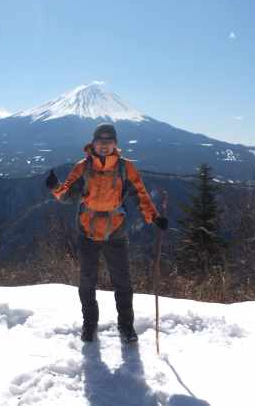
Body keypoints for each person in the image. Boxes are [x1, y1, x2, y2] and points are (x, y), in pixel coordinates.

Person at [45, 123, 168, 343]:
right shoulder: (82, 167)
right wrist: (55, 188)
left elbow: (141, 194)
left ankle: (126, 326)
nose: (104, 145)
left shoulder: (125, 168)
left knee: (123, 282)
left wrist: (154, 216)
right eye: (100, 141)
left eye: (108, 141)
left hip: (115, 231)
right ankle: (89, 326)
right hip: (88, 231)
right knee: (87, 281)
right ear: (93, 143)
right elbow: (68, 196)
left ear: (115, 144)